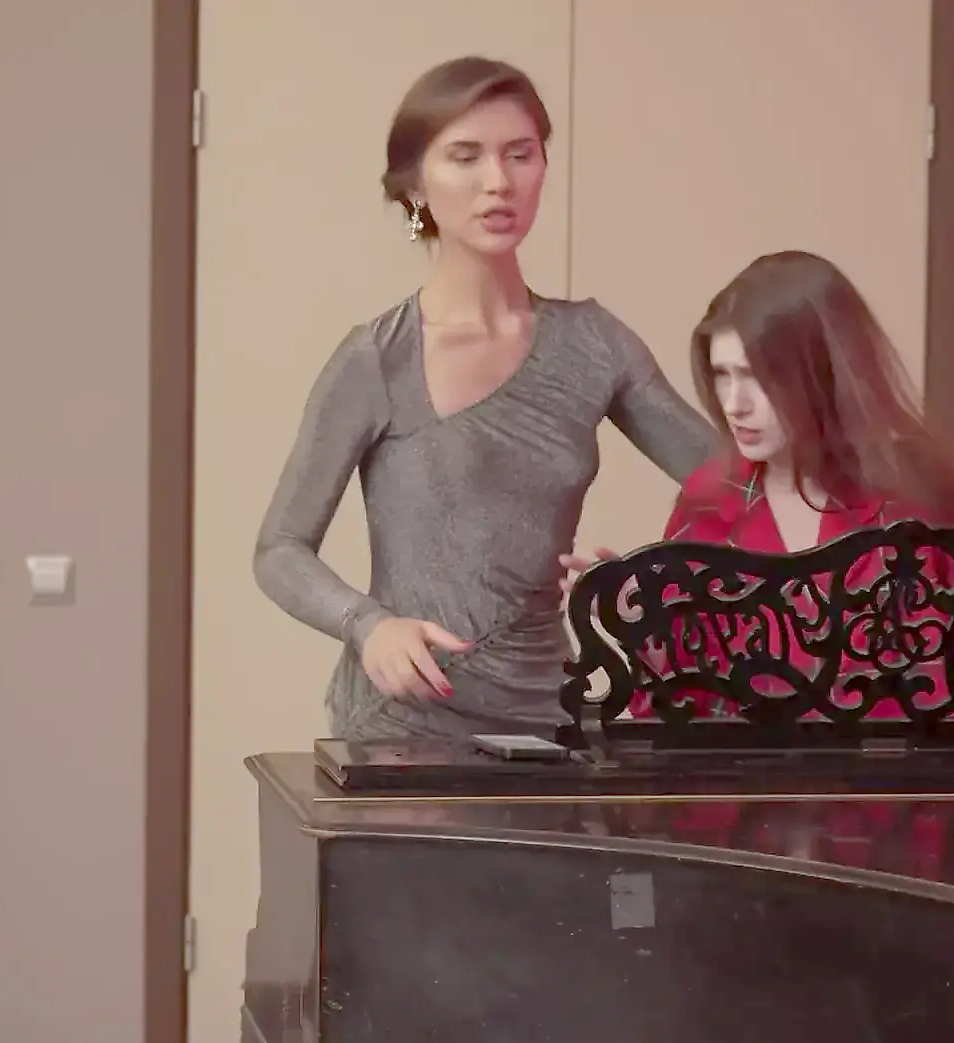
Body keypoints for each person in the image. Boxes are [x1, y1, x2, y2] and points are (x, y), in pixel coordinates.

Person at [255, 56, 718, 741]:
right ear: (416, 184)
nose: (498, 181)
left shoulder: (595, 342)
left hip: (547, 719)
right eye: (465, 157)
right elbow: (279, 549)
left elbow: (737, 489)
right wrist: (367, 625)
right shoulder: (377, 357)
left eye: (520, 154)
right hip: (400, 724)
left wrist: (642, 580)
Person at [562, 249, 954, 722]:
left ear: (824, 373)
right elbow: (685, 707)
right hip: (753, 791)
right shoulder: (707, 502)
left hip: (912, 788)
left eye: (758, 377)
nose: (735, 403)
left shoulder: (923, 491)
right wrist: (640, 622)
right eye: (722, 374)